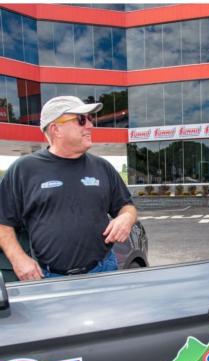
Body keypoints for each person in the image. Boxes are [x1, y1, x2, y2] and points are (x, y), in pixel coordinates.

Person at [0, 96, 137, 281]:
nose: (90, 125)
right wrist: (18, 259)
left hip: (104, 270)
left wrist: (127, 218)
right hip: (49, 277)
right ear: (56, 129)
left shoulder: (102, 166)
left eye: (90, 119)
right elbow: (3, 223)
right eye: (81, 120)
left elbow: (126, 205)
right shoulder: (24, 169)